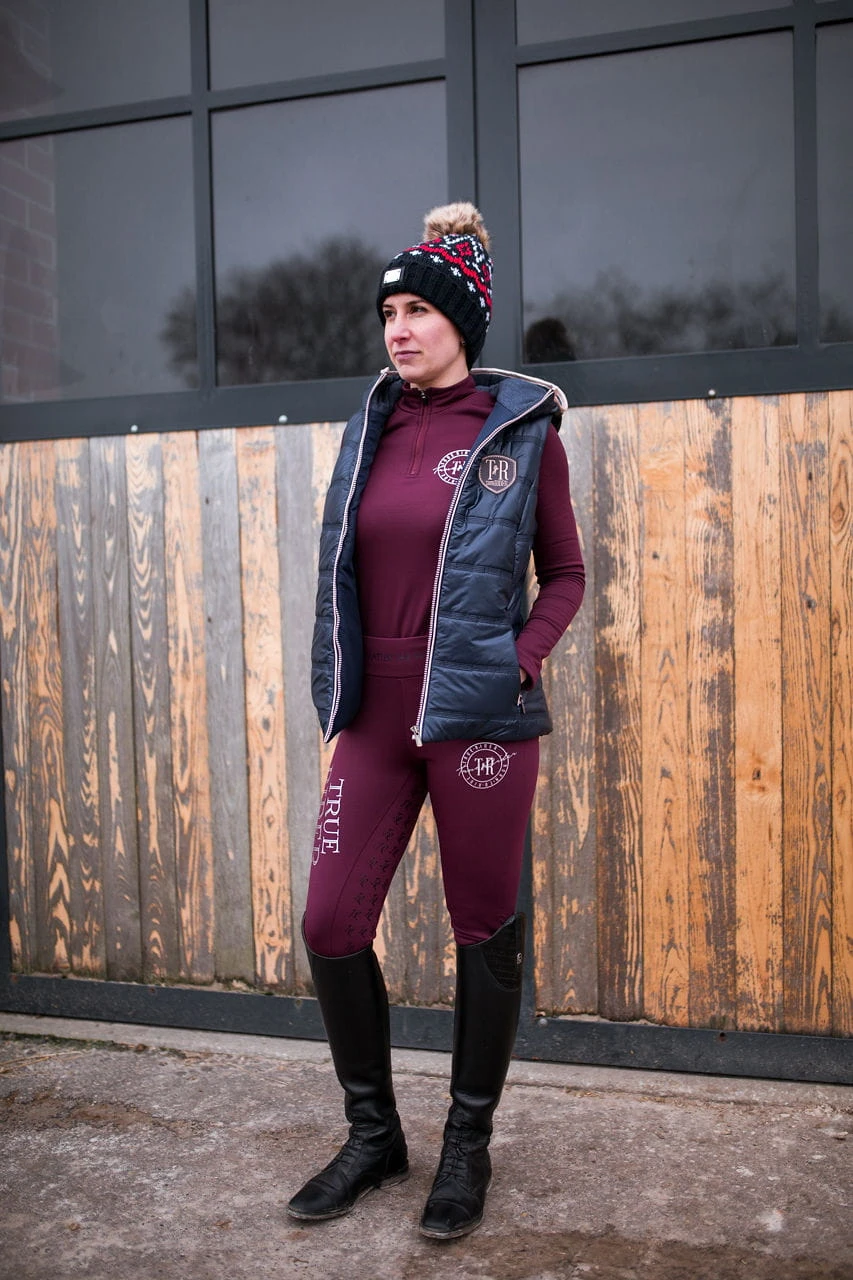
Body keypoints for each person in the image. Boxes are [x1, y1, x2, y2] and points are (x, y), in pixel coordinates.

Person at [287, 203, 585, 1240]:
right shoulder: (370, 427)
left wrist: (516, 660)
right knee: (329, 922)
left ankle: (467, 1143)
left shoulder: (518, 429)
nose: (398, 329)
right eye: (388, 314)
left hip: (479, 722)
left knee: (482, 928)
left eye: (416, 310)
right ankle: (374, 1136)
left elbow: (566, 574)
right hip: (375, 715)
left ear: (461, 319)